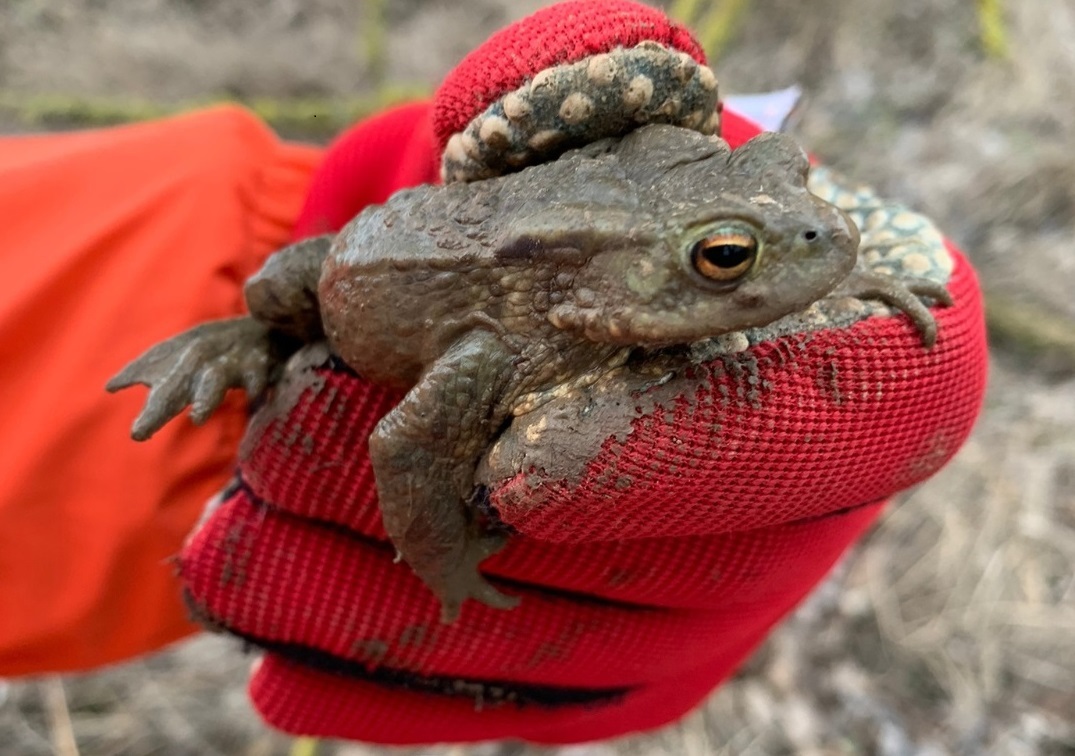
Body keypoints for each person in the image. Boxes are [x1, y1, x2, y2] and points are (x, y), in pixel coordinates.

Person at [0, 0, 987, 745]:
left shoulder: (606, 282)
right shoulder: (507, 343)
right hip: (376, 279)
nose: (813, 227)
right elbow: (401, 440)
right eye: (724, 258)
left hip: (433, 231)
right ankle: (234, 339)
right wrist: (445, 558)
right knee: (278, 291)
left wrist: (825, 276)